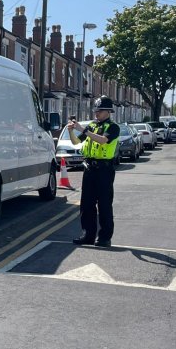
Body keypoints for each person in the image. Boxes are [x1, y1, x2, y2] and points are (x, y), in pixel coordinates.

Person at [66, 96, 120, 247]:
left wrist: (83, 130)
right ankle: (88, 235)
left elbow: (103, 140)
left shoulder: (113, 127)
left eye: (100, 110)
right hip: (89, 168)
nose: (96, 113)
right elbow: (76, 142)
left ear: (108, 111)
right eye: (95, 110)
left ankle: (104, 238)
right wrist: (71, 131)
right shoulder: (92, 125)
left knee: (104, 204)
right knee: (87, 204)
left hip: (104, 169)